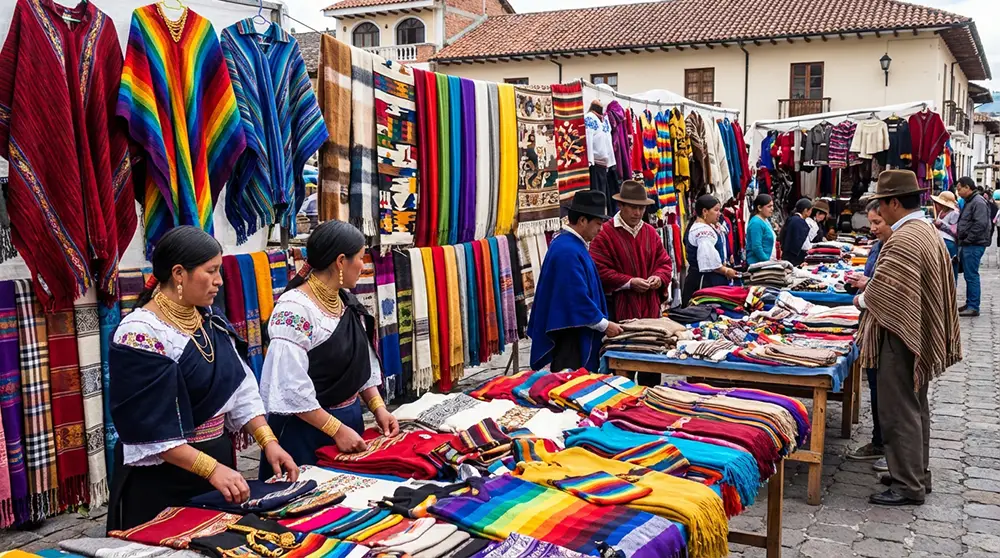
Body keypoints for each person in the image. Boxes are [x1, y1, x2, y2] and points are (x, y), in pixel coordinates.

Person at [108, 227, 298, 531]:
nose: (220, 281)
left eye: (219, 270)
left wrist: (269, 442)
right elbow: (149, 426)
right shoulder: (141, 333)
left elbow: (241, 387)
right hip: (163, 479)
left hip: (219, 470)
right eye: (211, 271)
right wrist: (211, 470)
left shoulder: (210, 319)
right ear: (179, 274)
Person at [258, 221, 400, 478]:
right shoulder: (294, 311)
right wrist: (336, 430)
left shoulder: (346, 302)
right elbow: (290, 387)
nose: (364, 265)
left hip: (349, 423)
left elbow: (360, 364)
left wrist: (378, 408)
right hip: (304, 433)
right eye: (360, 257)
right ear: (341, 261)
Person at [855, 170, 961, 506]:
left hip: (901, 335)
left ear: (894, 203)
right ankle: (914, 472)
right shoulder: (924, 230)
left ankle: (907, 485)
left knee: (898, 408)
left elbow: (885, 292)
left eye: (882, 204)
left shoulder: (904, 239)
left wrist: (860, 299)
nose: (879, 213)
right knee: (914, 406)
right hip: (915, 332)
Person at [590, 180, 673, 386]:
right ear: (621, 206)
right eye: (633, 208)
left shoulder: (650, 232)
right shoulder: (605, 233)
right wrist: (628, 282)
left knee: (652, 366)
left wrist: (658, 278)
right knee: (623, 368)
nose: (638, 213)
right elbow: (598, 270)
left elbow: (664, 263)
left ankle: (651, 403)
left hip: (649, 309)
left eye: (641, 208)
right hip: (621, 310)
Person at [528, 190, 622, 372]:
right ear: (582, 221)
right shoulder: (567, 251)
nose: (601, 229)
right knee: (571, 388)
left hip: (573, 328)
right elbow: (576, 298)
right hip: (569, 334)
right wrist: (604, 325)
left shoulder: (571, 245)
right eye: (598, 223)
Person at [845, 199, 890, 464]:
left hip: (886, 327)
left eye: (877, 222)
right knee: (875, 384)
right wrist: (859, 284)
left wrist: (866, 285)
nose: (872, 227)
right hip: (871, 325)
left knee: (887, 389)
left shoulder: (896, 249)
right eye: (870, 222)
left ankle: (888, 445)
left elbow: (891, 287)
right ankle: (879, 440)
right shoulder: (877, 247)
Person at [681, 194, 739, 306]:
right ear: (705, 211)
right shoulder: (703, 232)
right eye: (716, 210)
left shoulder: (705, 227)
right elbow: (708, 261)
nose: (719, 213)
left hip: (702, 279)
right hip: (706, 282)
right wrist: (726, 271)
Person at [956, 176, 991, 317]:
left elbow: (980, 224)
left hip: (974, 244)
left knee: (971, 275)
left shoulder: (978, 202)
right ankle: (970, 302)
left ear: (967, 187)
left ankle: (973, 305)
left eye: (959, 189)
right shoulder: (970, 201)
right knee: (969, 275)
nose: (957, 192)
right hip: (969, 243)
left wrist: (968, 239)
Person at [931, 190, 960, 279]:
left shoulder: (954, 213)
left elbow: (955, 231)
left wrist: (941, 225)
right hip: (939, 240)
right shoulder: (940, 212)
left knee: (951, 269)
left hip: (949, 242)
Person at [779, 198, 813, 266]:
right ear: (805, 210)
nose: (811, 212)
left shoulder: (791, 218)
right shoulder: (799, 222)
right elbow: (803, 244)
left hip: (786, 254)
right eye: (811, 210)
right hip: (795, 257)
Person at [745, 194, 776, 264]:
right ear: (759, 207)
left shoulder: (765, 221)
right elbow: (756, 247)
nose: (772, 209)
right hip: (759, 264)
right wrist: (766, 261)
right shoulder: (756, 223)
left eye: (772, 206)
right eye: (769, 206)